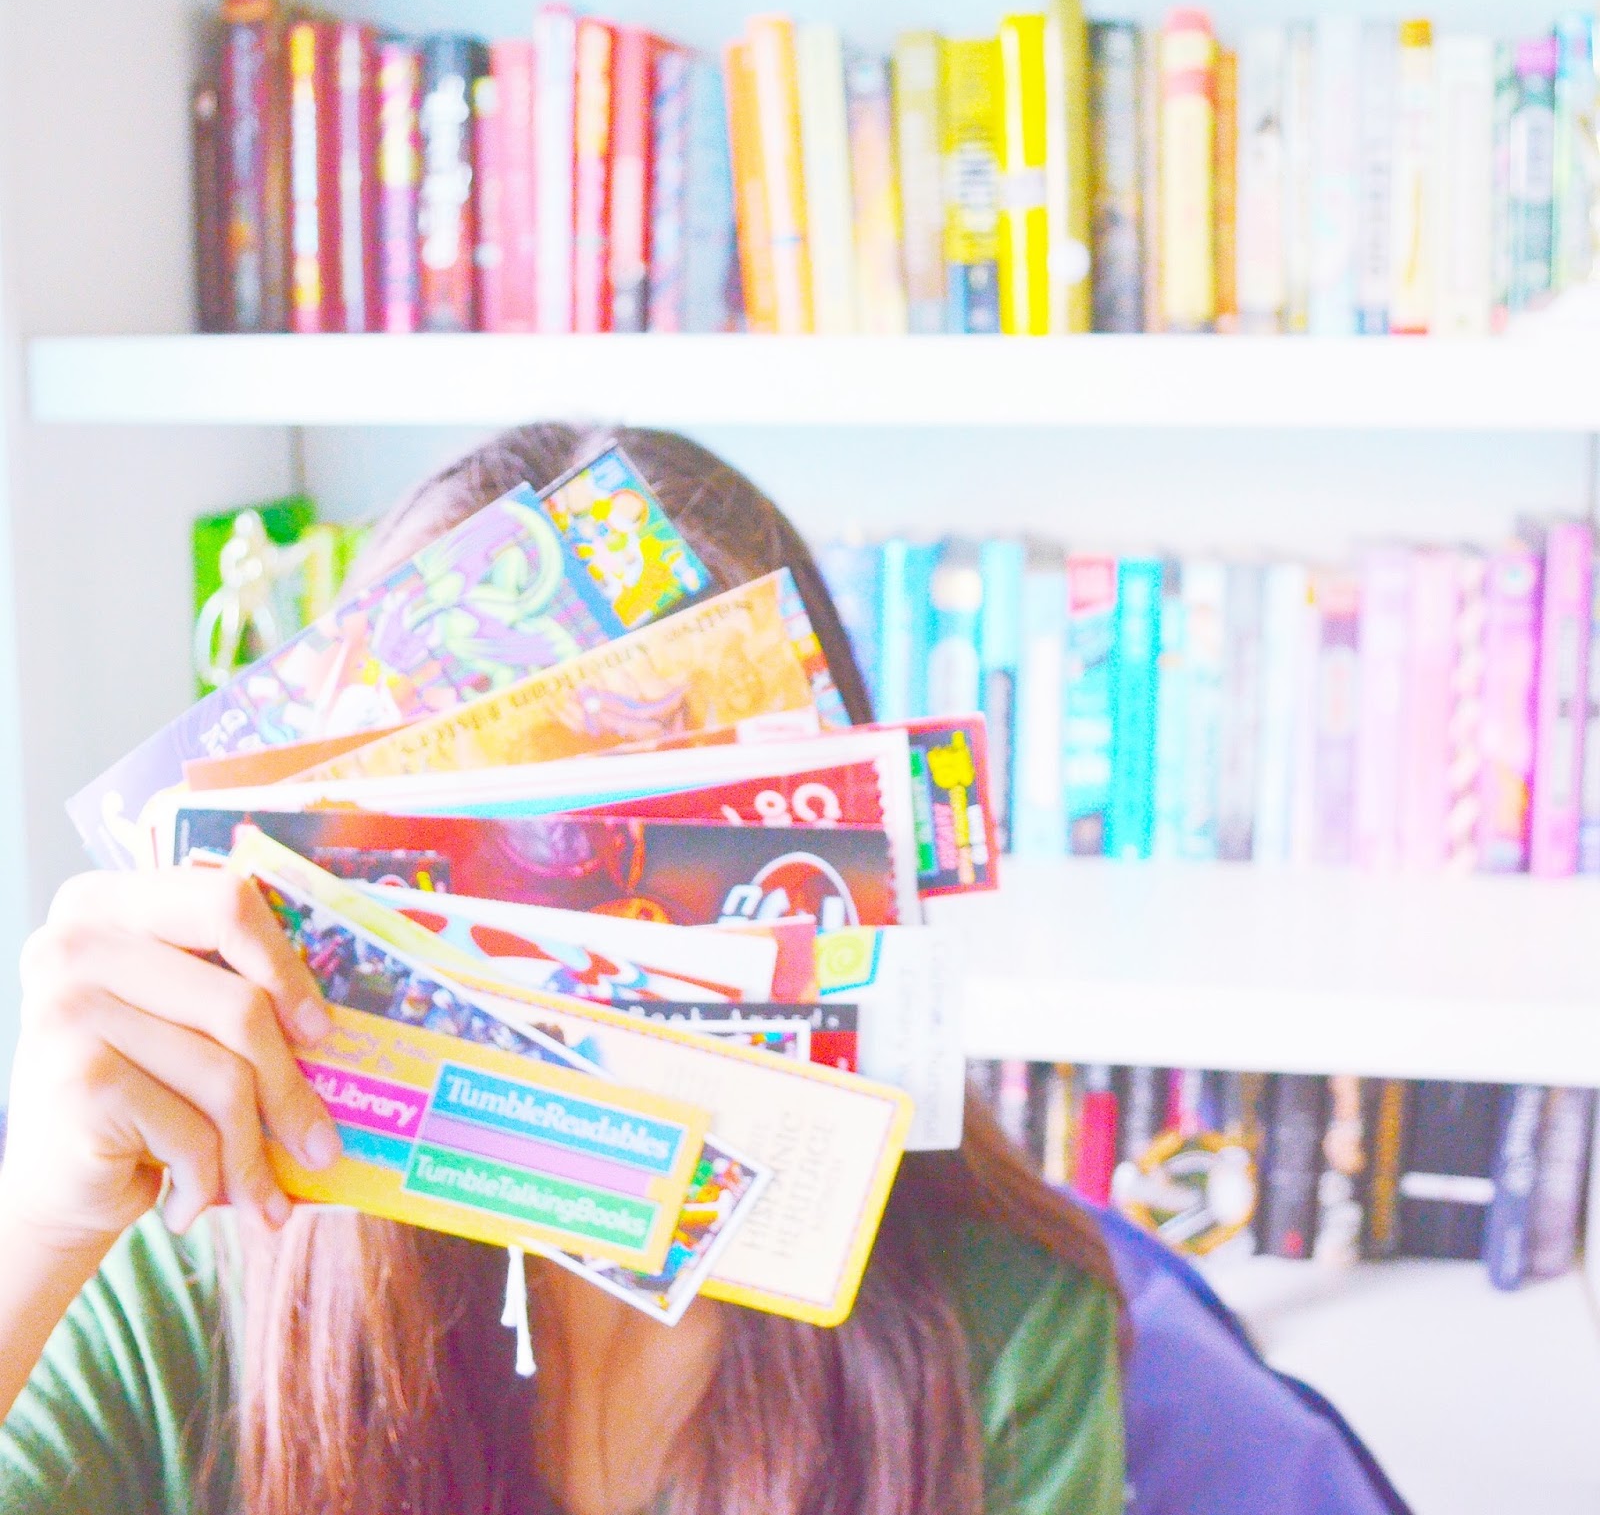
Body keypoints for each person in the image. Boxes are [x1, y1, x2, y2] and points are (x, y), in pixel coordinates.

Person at [0, 425, 1404, 1515]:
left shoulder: (1002, 1332)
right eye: (479, 868)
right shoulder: (189, 1278)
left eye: (663, 856)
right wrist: (39, 1227)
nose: (575, 958)